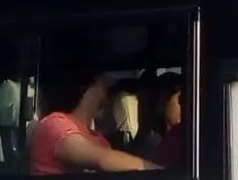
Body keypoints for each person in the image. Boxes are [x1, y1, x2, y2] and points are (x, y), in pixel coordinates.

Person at [30, 67, 160, 174]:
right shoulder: (53, 124)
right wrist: (162, 172)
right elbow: (103, 160)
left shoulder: (99, 140)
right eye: (103, 83)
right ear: (89, 87)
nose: (107, 91)